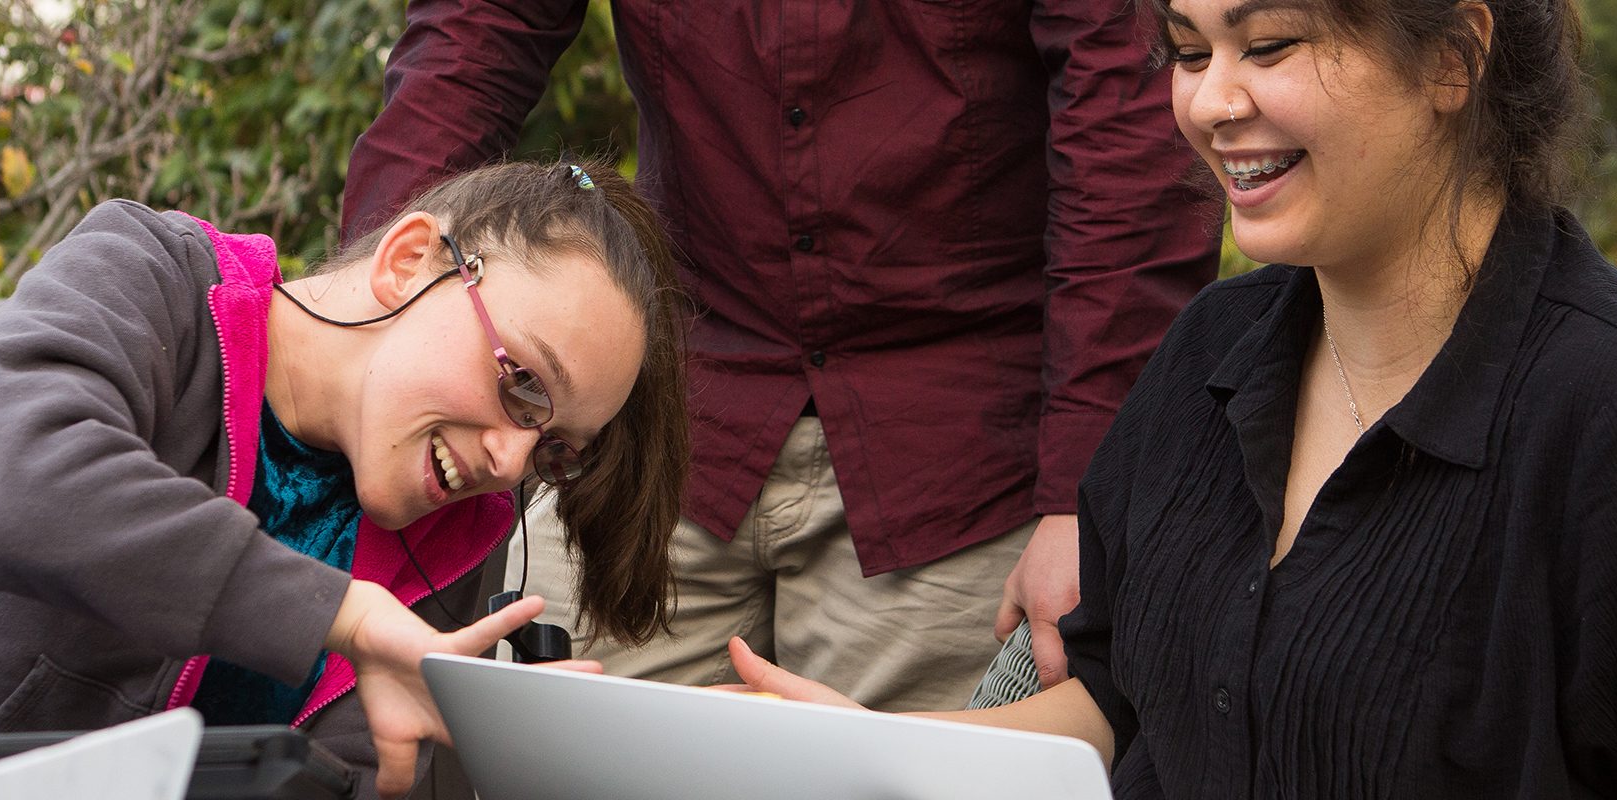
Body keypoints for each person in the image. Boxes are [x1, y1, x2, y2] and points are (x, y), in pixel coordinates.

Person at [726, 0, 1617, 794]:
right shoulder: (1206, 356)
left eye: (1271, 44)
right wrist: (861, 750)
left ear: (1454, 56)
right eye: (1189, 51)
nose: (1210, 103)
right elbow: (1120, 717)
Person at [342, 1, 1220, 712]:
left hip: (957, 453)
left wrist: (1084, 492)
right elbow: (470, 45)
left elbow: (1127, 130)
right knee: (558, 752)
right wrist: (365, 328)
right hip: (676, 413)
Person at [0, 161, 691, 799]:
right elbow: (25, 488)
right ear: (410, 259)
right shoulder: (149, 277)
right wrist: (341, 616)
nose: (509, 462)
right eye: (522, 383)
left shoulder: (454, 536)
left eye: (553, 451)